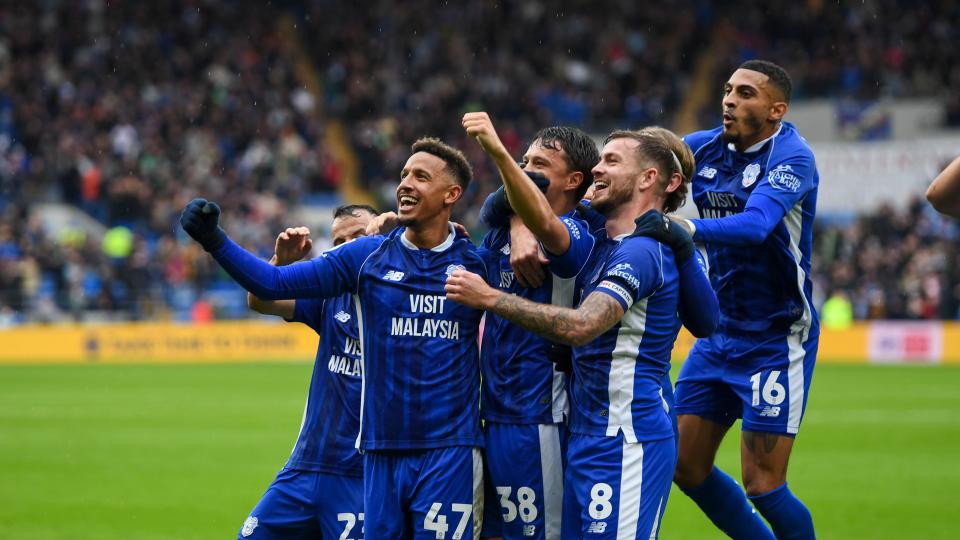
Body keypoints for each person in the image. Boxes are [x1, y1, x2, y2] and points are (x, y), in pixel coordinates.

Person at [181, 138, 488, 539]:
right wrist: (214, 240)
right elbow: (269, 285)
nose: (406, 183)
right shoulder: (365, 259)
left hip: (449, 452)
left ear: (452, 194)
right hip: (376, 455)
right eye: (403, 175)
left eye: (421, 176)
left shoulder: (475, 262)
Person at [450, 123, 716, 539]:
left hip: (625, 434)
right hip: (585, 431)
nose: (598, 170)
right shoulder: (607, 238)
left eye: (611, 161)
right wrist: (518, 217)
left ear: (650, 178)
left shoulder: (643, 248)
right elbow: (504, 207)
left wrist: (489, 298)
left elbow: (585, 325)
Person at [668, 59, 819, 540]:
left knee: (764, 485)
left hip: (777, 337)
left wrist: (684, 228)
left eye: (746, 93)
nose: (730, 99)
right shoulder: (703, 148)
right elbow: (639, 163)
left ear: (776, 109)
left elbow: (755, 227)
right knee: (685, 466)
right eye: (729, 89)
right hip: (719, 333)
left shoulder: (792, 156)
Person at [462, 116, 599, 540]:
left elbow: (549, 229)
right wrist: (516, 220)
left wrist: (497, 151)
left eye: (538, 164)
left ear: (575, 179)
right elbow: (495, 206)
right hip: (492, 414)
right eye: (523, 160)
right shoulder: (502, 231)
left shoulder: (582, 228)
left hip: (539, 415)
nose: (524, 169)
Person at [237, 204, 376, 540]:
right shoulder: (331, 298)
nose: (347, 246)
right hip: (302, 469)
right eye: (339, 240)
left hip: (359, 475)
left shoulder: (402, 300)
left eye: (358, 236)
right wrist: (280, 265)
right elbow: (260, 301)